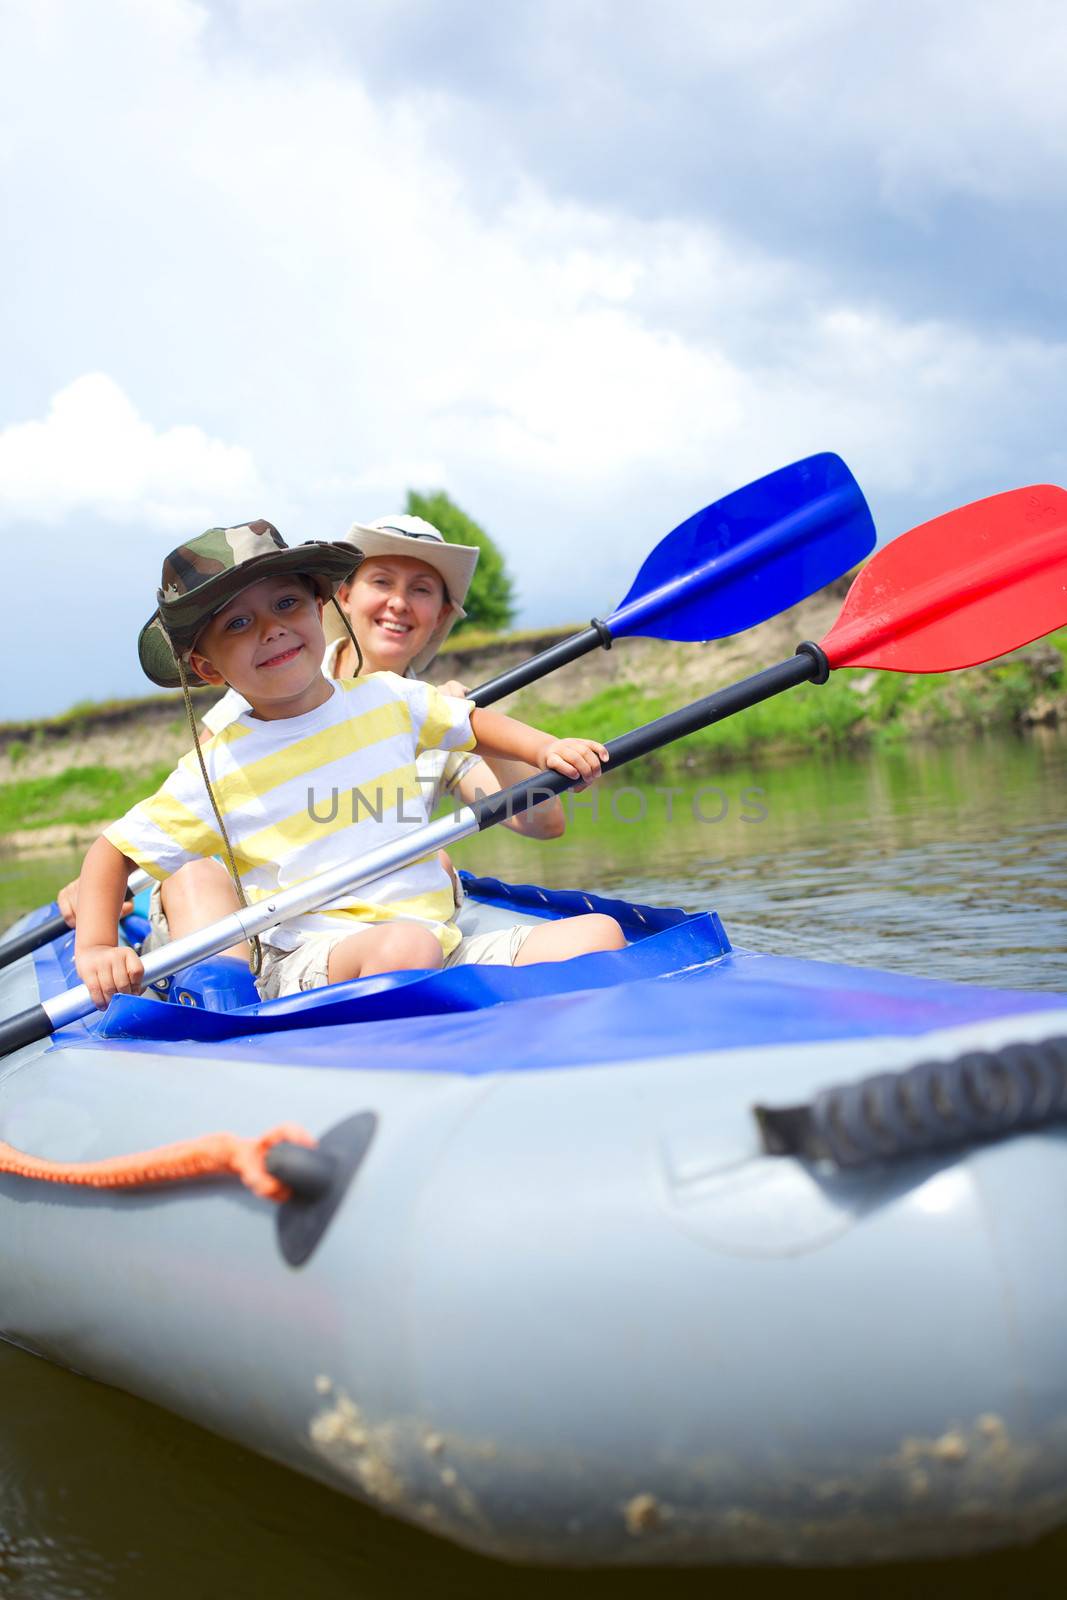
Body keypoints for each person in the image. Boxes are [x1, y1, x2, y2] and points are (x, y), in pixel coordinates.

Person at [74, 521, 623, 1010]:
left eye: (286, 605)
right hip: (312, 957)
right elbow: (115, 851)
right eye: (238, 624)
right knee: (406, 947)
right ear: (205, 666)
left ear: (318, 608)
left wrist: (544, 748)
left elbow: (475, 727)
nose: (270, 629)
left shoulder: (391, 698)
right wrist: (98, 944)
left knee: (597, 935)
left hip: (436, 940)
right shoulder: (219, 759)